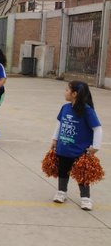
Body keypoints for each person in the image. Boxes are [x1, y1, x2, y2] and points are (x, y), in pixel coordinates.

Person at [50, 81, 102, 211]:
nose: (65, 92)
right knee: (63, 170)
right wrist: (54, 139)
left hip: (80, 150)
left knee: (82, 174)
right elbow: (59, 123)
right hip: (64, 148)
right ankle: (61, 192)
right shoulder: (65, 107)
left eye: (67, 90)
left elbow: (97, 128)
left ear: (75, 94)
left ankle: (85, 198)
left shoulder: (87, 110)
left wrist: (95, 146)